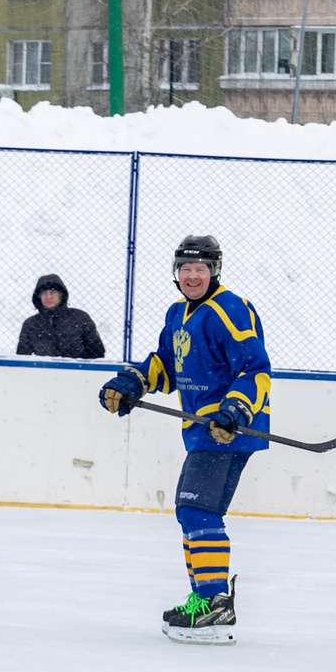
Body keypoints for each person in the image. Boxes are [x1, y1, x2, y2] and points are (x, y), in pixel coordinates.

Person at [98, 236, 272, 644]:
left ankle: (214, 605)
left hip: (228, 431)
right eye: (185, 269)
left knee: (198, 512)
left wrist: (235, 411)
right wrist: (132, 383)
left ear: (215, 272)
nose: (193, 276)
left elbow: (255, 368)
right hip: (201, 432)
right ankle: (204, 599)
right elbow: (166, 364)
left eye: (201, 269)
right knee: (190, 512)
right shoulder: (178, 313)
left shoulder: (231, 308)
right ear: (176, 273)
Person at [16, 274, 104, 359]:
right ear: (39, 297)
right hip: (45, 371)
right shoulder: (31, 324)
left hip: (77, 371)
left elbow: (97, 352)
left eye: (53, 292)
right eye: (44, 293)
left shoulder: (79, 317)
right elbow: (22, 357)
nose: (48, 296)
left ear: (61, 295)